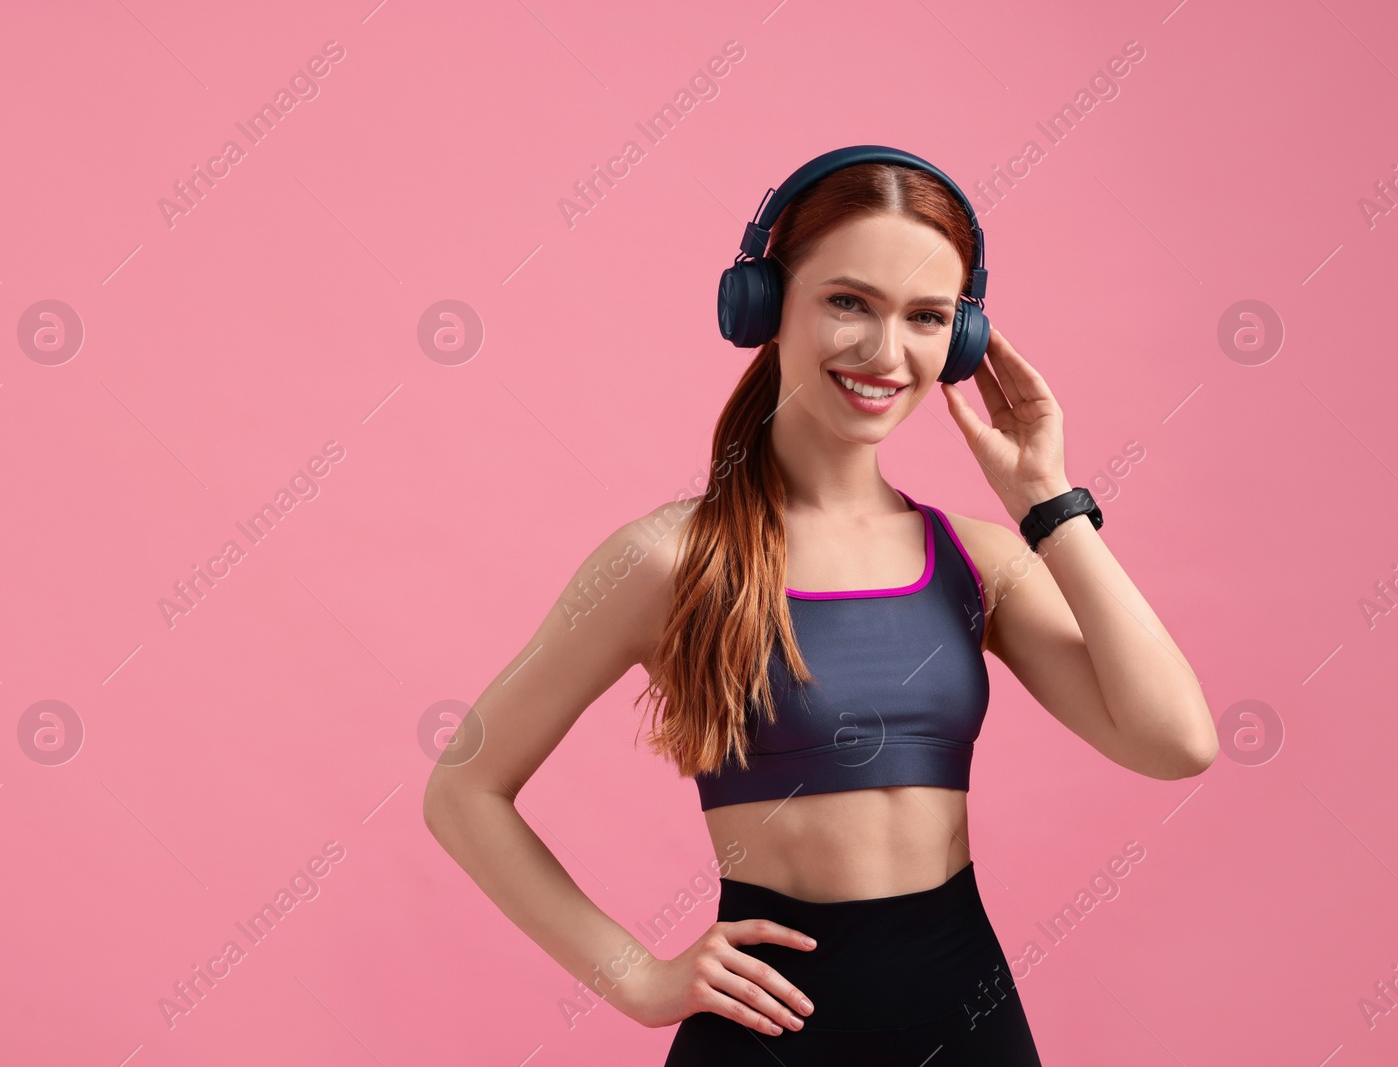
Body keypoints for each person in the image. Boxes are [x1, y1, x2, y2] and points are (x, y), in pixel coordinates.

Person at [423, 146, 1217, 1064]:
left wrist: (1050, 502)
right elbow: (465, 788)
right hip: (767, 1038)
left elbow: (1176, 742)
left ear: (960, 342)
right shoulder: (669, 559)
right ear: (764, 306)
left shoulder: (978, 557)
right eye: (849, 302)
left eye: (925, 317)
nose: (886, 353)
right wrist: (638, 978)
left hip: (968, 1024)